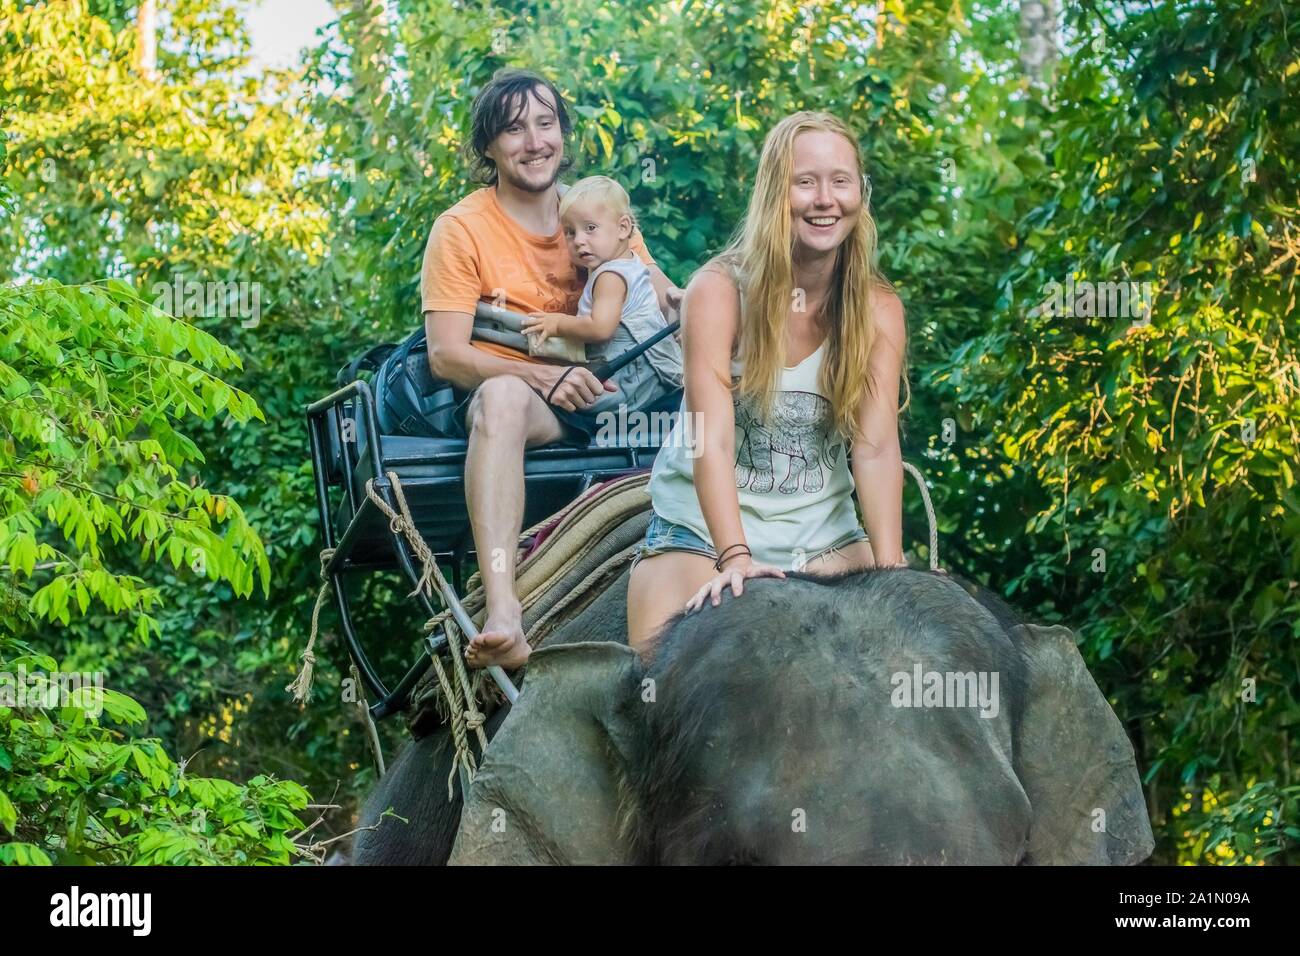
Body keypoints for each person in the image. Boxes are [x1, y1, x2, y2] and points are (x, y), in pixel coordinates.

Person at [420, 68, 683, 670]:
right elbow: (447, 354)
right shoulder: (462, 229)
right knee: (500, 399)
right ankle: (505, 611)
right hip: (537, 407)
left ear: (563, 134)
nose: (534, 142)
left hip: (628, 395)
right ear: (488, 146)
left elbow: (665, 298)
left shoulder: (596, 211)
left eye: (546, 124)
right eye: (514, 130)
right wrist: (543, 377)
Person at [625, 111, 911, 654]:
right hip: (704, 533)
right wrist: (735, 558)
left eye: (840, 181)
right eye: (805, 182)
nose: (824, 199)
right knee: (660, 678)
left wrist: (892, 570)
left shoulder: (878, 309)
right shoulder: (719, 291)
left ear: (860, 194)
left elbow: (875, 450)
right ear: (774, 193)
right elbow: (712, 439)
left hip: (824, 535)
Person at [521, 175, 684, 421]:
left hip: (635, 381)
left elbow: (600, 328)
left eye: (590, 228)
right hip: (648, 374)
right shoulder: (629, 262)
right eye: (569, 232)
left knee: (554, 402)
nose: (579, 241)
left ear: (623, 228)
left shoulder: (611, 276)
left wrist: (556, 323)